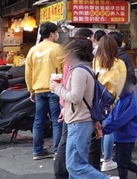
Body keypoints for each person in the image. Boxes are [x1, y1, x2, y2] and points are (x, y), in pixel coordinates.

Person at [48, 38, 108, 179]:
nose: (65, 56)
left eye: (67, 52)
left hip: (79, 121)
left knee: (74, 165)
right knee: (77, 164)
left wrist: (57, 89)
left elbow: (75, 97)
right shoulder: (84, 69)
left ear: (74, 53)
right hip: (81, 120)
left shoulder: (79, 71)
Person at [25, 22, 64, 160]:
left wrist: (31, 90)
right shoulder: (58, 49)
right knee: (56, 121)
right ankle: (57, 152)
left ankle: (37, 151)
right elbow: (65, 69)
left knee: (38, 121)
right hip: (55, 89)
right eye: (56, 32)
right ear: (52, 34)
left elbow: (28, 72)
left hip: (39, 90)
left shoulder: (33, 50)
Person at [94, 36, 130, 171]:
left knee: (98, 127)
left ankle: (99, 157)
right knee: (109, 129)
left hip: (97, 101)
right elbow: (121, 84)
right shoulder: (119, 63)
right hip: (112, 101)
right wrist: (116, 101)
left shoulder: (94, 62)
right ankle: (107, 159)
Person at [102, 82, 137, 179]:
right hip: (120, 136)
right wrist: (104, 128)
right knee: (122, 160)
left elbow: (120, 121)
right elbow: (112, 116)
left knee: (121, 164)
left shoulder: (130, 101)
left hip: (127, 137)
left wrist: (104, 130)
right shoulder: (121, 100)